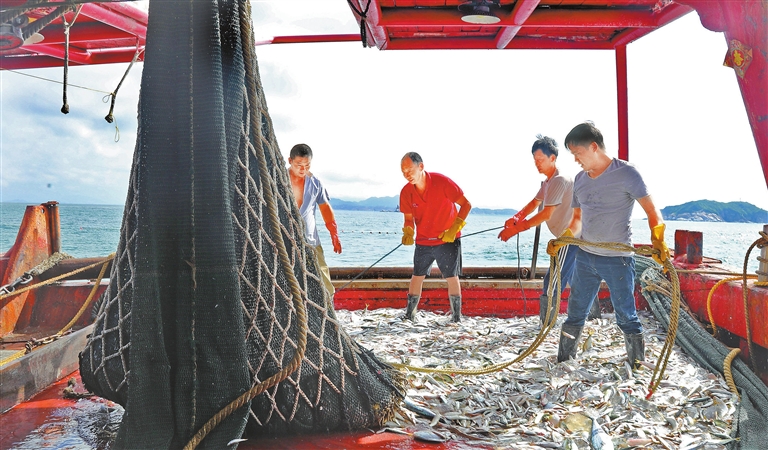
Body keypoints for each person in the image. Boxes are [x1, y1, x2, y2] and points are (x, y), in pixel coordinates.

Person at [555, 122, 669, 369]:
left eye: (578, 153)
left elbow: (652, 212)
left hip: (618, 260)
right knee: (575, 313)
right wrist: (563, 238)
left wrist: (657, 236)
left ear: (594, 147)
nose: (575, 160)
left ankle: (637, 365)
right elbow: (577, 220)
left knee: (626, 315)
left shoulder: (627, 174)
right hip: (585, 257)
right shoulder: (580, 180)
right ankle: (564, 361)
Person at [497, 135, 601, 324]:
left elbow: (546, 214)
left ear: (552, 158)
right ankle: (595, 317)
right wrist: (516, 217)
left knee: (553, 281)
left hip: (570, 238)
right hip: (578, 237)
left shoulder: (559, 180)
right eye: (535, 160)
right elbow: (534, 202)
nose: (537, 164)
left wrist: (514, 230)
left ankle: (547, 324)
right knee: (580, 278)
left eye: (541, 160)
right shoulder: (548, 182)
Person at [400, 152, 471, 322]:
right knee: (417, 276)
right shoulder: (406, 192)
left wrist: (454, 228)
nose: (407, 175)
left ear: (421, 167)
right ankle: (410, 315)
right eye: (403, 172)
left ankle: (456, 317)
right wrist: (408, 231)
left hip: (448, 239)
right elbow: (409, 219)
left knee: (451, 277)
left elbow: (466, 205)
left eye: (410, 170)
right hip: (423, 240)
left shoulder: (442, 182)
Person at [288, 143, 342, 304]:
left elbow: (326, 209)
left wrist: (334, 235)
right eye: (299, 165)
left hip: (311, 241)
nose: (303, 169)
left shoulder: (315, 182)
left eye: (307, 165)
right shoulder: (279, 179)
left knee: (324, 279)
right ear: (290, 161)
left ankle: (329, 313)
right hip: (285, 240)